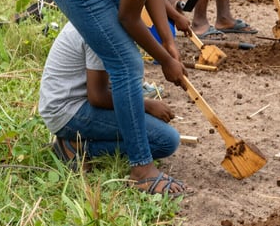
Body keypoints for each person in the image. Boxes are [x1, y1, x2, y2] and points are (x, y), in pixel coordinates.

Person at [46, 0, 221, 196]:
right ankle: (141, 170)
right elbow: (129, 17)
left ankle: (78, 146)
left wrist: (168, 42)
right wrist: (166, 62)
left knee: (162, 132)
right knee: (127, 63)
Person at [39, 22, 180, 174]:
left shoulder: (99, 15)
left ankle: (81, 140)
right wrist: (145, 105)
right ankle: (76, 147)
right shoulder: (100, 29)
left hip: (75, 102)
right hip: (68, 112)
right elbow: (97, 97)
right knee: (166, 140)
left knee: (153, 127)